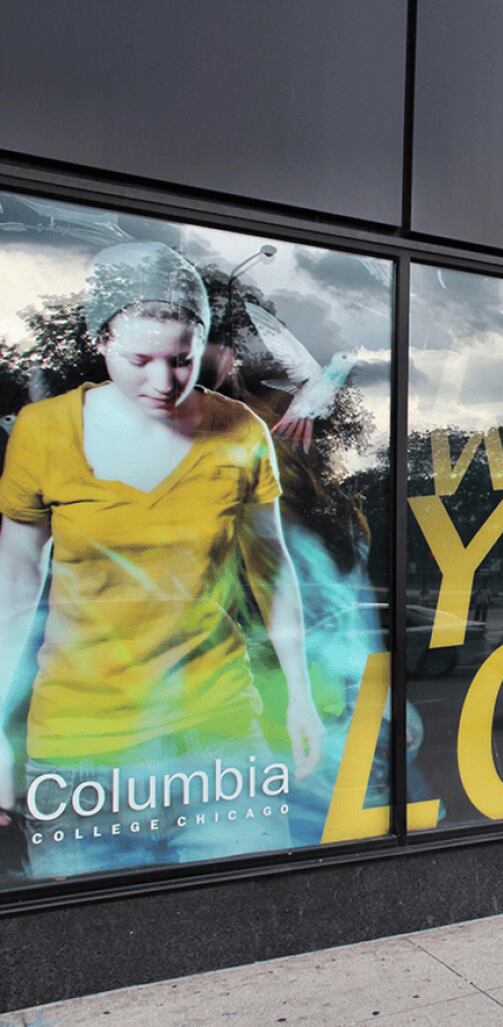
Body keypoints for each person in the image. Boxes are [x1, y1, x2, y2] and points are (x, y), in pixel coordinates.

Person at [0, 242, 324, 877]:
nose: (163, 381)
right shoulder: (44, 432)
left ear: (201, 342)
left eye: (180, 359)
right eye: (139, 360)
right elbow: (13, 589)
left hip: (220, 740)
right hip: (80, 751)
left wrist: (299, 698)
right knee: (90, 929)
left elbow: (272, 573)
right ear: (101, 342)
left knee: (250, 916)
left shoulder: (240, 431)